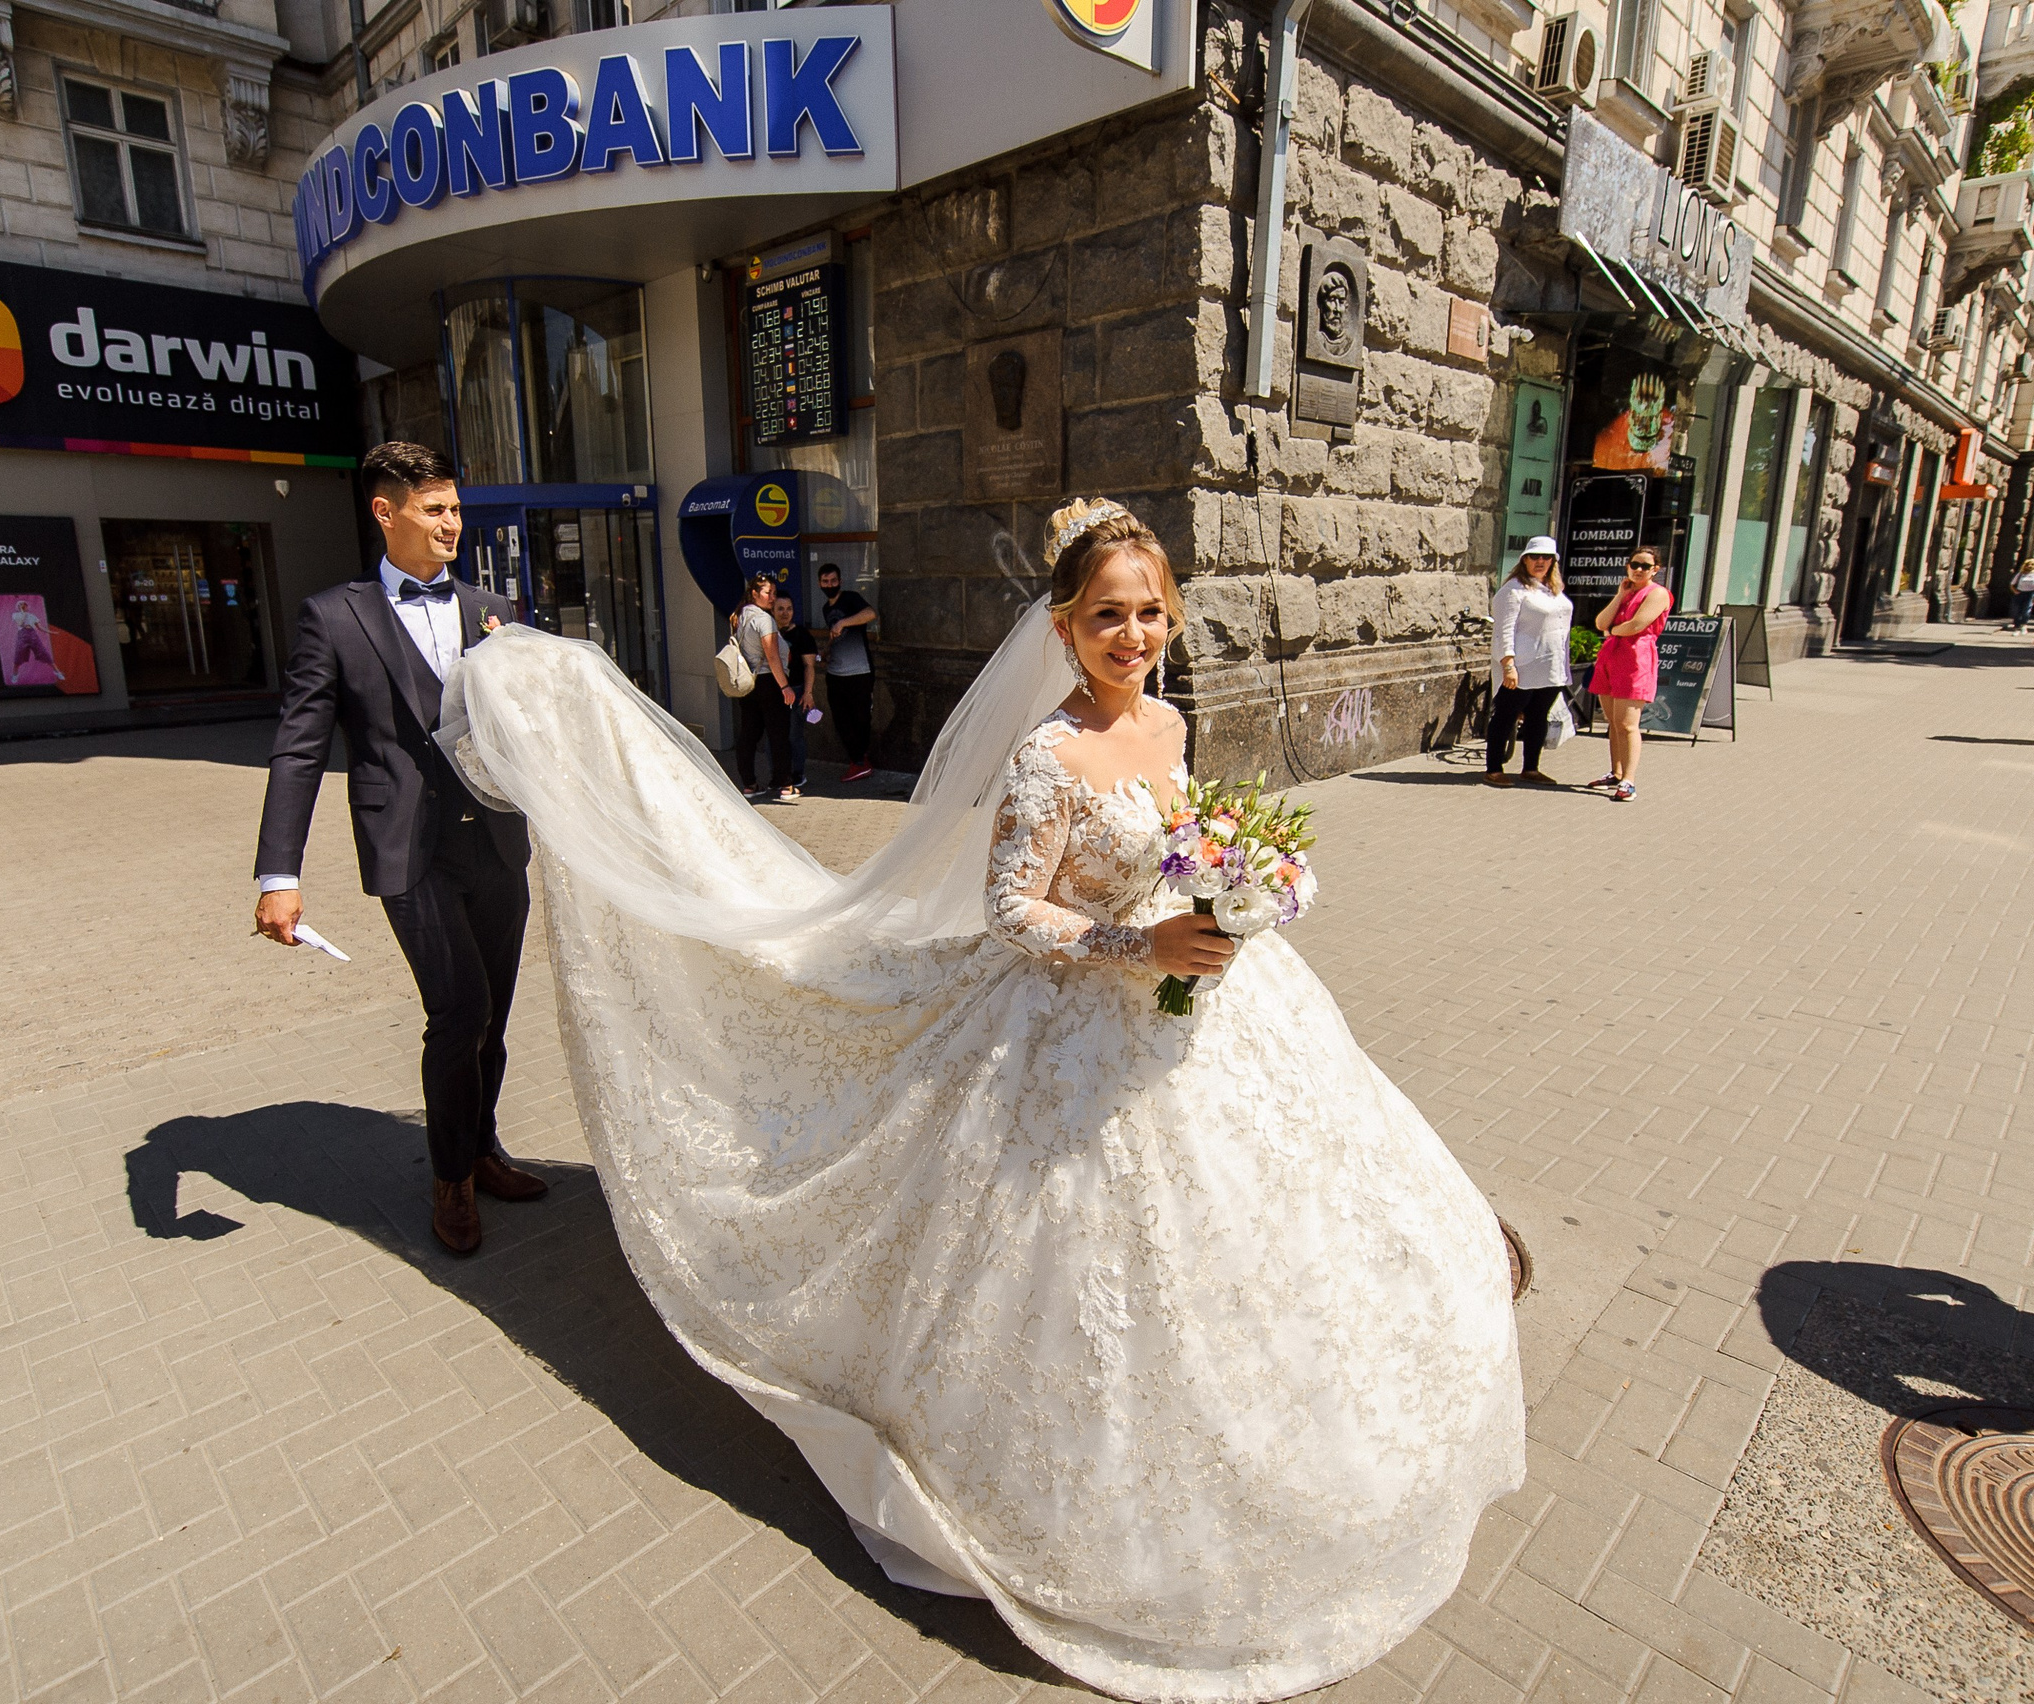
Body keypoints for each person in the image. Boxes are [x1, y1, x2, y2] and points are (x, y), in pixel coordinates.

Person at [436, 496, 1524, 1702]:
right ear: (1063, 627)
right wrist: (1141, 949)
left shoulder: (1168, 721)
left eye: (1149, 611)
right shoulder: (1045, 755)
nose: (1133, 635)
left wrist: (1254, 881)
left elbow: (1196, 839)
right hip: (1079, 1034)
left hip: (1216, 1022)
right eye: (1107, 615)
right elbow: (1017, 914)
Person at [250, 441, 546, 1258]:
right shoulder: (333, 616)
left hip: (495, 841)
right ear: (387, 512)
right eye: (435, 510)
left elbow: (531, 727)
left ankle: (482, 1149)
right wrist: (280, 873)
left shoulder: (496, 609)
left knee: (495, 1018)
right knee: (458, 1012)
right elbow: (299, 749)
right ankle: (450, 1178)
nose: (453, 523)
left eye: (456, 508)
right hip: (407, 851)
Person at [1484, 536, 1573, 787]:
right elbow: (1504, 630)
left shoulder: (1554, 590)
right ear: (1524, 559)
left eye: (1546, 557)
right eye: (1535, 557)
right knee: (1506, 716)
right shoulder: (1513, 590)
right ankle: (1494, 768)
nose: (1540, 562)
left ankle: (1531, 768)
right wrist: (1508, 664)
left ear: (1553, 562)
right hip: (1523, 666)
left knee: (1538, 717)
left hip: (1551, 667)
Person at [1585, 547, 1672, 803]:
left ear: (1656, 569)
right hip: (1611, 658)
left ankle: (1629, 780)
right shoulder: (1627, 591)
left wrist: (1612, 631)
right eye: (1635, 564)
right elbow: (1600, 622)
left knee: (1627, 724)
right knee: (1613, 721)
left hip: (1636, 659)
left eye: (1645, 566)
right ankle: (1616, 771)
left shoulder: (1658, 593)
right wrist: (1619, 595)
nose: (1638, 570)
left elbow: (1637, 624)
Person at [732, 575, 794, 798]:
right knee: (778, 733)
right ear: (755, 594)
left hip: (749, 682)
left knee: (749, 733)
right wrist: (785, 686)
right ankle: (785, 784)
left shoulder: (741, 616)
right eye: (768, 593)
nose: (772, 598)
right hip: (770, 681)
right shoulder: (764, 620)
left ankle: (749, 784)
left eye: (774, 593)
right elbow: (772, 655)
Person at [817, 563, 877, 779]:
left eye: (833, 581)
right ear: (819, 583)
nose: (829, 585)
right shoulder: (826, 608)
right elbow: (836, 636)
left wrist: (844, 621)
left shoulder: (850, 598)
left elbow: (870, 613)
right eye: (825, 582)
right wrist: (826, 651)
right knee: (842, 721)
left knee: (861, 718)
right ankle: (858, 760)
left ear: (840, 581)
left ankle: (861, 761)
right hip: (836, 673)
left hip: (859, 671)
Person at [776, 589, 819, 800]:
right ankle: (779, 776)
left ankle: (797, 774)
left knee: (794, 734)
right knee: (775, 736)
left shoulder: (801, 635)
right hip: (774, 692)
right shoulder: (769, 634)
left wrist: (808, 693)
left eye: (789, 609)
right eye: (780, 609)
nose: (785, 613)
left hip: (797, 690)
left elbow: (810, 666)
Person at [2009, 556, 2034, 631]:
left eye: (2032, 564)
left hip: (2030, 594)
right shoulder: (2020, 574)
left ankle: (2024, 623)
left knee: (2026, 610)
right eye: (2028, 564)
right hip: (2020, 593)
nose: (2030, 566)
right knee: (2016, 609)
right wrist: (2015, 591)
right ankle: (2017, 624)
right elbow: (2012, 584)